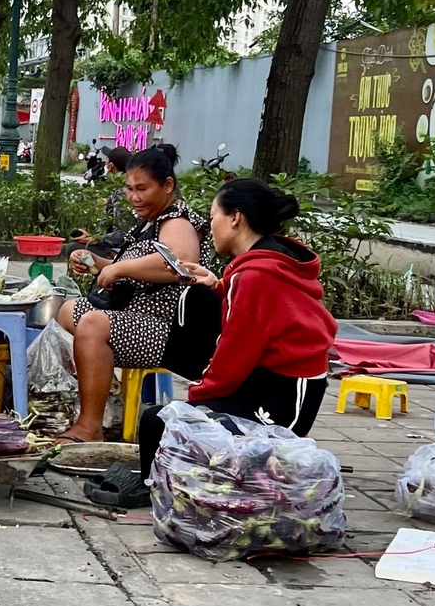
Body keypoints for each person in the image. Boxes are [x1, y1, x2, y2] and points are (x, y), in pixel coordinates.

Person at [88, 177, 338, 508]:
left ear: (235, 218)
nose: (211, 225)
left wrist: (194, 403)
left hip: (283, 400)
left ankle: (156, 489)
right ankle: (169, 475)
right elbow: (257, 316)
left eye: (214, 215)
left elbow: (236, 354)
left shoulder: (255, 277)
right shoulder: (263, 261)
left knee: (158, 420)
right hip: (275, 382)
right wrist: (217, 285)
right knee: (197, 296)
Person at [51, 143, 203, 443]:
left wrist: (119, 270)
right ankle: (94, 398)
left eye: (142, 188)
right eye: (129, 188)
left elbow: (182, 264)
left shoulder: (176, 220)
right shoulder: (147, 223)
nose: (133, 196)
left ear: (167, 185)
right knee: (69, 310)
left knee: (93, 325)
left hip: (170, 330)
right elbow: (134, 267)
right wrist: (96, 263)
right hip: (135, 315)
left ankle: (89, 427)